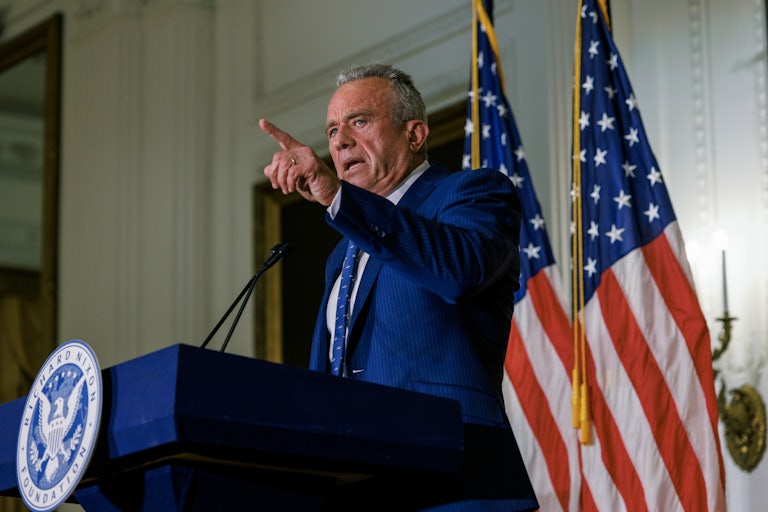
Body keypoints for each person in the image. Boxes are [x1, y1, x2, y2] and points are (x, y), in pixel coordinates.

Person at [260, 63, 538, 511]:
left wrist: (338, 199)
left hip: (455, 482)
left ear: (415, 134)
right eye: (332, 130)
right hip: (359, 484)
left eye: (360, 121)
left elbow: (458, 270)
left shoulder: (473, 193)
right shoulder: (341, 254)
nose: (340, 140)